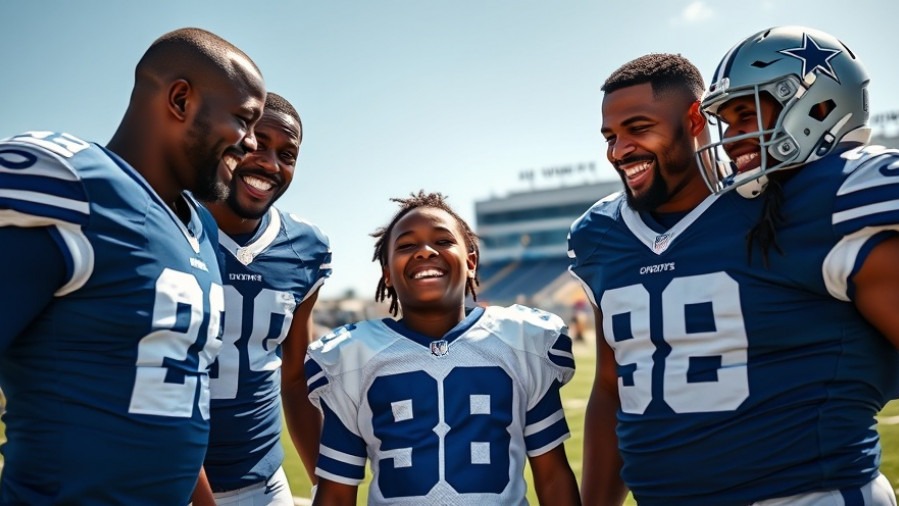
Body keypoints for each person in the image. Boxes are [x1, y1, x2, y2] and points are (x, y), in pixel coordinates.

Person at [569, 33, 899, 506]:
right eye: (610, 136)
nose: (618, 150)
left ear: (692, 119)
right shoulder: (599, 235)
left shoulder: (803, 201)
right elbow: (612, 385)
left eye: (638, 128)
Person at [0, 27, 265, 505]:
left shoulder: (200, 228)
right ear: (181, 99)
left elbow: (176, 406)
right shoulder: (67, 180)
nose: (250, 143)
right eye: (244, 120)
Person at [305, 191, 581, 505]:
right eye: (407, 245)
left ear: (471, 262)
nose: (425, 252)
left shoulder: (522, 340)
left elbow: (553, 476)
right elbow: (337, 493)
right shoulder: (351, 356)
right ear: (387, 274)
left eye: (443, 241)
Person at [191, 92, 332, 505]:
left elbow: (293, 376)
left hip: (264, 484)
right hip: (168, 481)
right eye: (257, 142)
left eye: (287, 154)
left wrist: (325, 486)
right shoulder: (170, 223)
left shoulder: (308, 246)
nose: (270, 164)